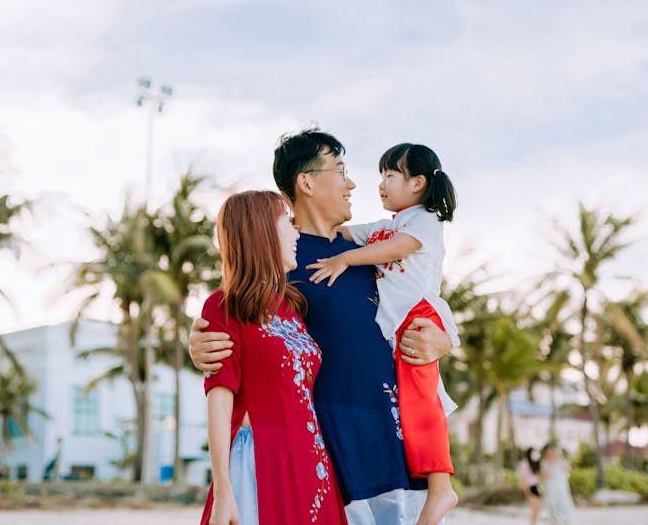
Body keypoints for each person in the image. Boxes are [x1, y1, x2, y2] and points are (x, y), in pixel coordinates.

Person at [190, 129, 454, 525]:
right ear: (307, 181)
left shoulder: (372, 252)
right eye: (341, 170)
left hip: (405, 448)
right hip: (335, 456)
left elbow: (422, 302)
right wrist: (198, 341)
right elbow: (240, 316)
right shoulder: (284, 259)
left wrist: (444, 340)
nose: (352, 183)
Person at [306, 142, 459, 525]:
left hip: (417, 315)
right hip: (401, 323)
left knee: (424, 401)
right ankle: (437, 487)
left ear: (419, 183)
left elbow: (396, 249)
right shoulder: (390, 224)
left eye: (390, 175)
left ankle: (441, 488)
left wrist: (343, 259)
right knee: (415, 401)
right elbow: (349, 232)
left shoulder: (423, 220)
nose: (379, 185)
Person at [200, 190, 347, 525]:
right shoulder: (224, 306)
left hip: (312, 465)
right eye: (288, 224)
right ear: (261, 230)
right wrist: (224, 490)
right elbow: (219, 402)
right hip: (260, 465)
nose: (296, 233)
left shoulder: (291, 309)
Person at [540, 443, 574, 525]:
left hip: (562, 489)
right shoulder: (544, 462)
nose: (550, 452)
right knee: (553, 511)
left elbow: (568, 470)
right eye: (548, 451)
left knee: (565, 510)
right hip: (551, 489)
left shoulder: (561, 461)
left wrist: (561, 459)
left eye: (552, 450)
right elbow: (545, 476)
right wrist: (553, 463)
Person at [517, 448, 541, 525]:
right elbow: (523, 478)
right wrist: (526, 491)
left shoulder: (535, 463)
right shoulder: (524, 463)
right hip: (530, 487)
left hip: (536, 487)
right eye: (534, 452)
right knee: (534, 509)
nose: (536, 454)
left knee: (537, 510)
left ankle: (534, 523)